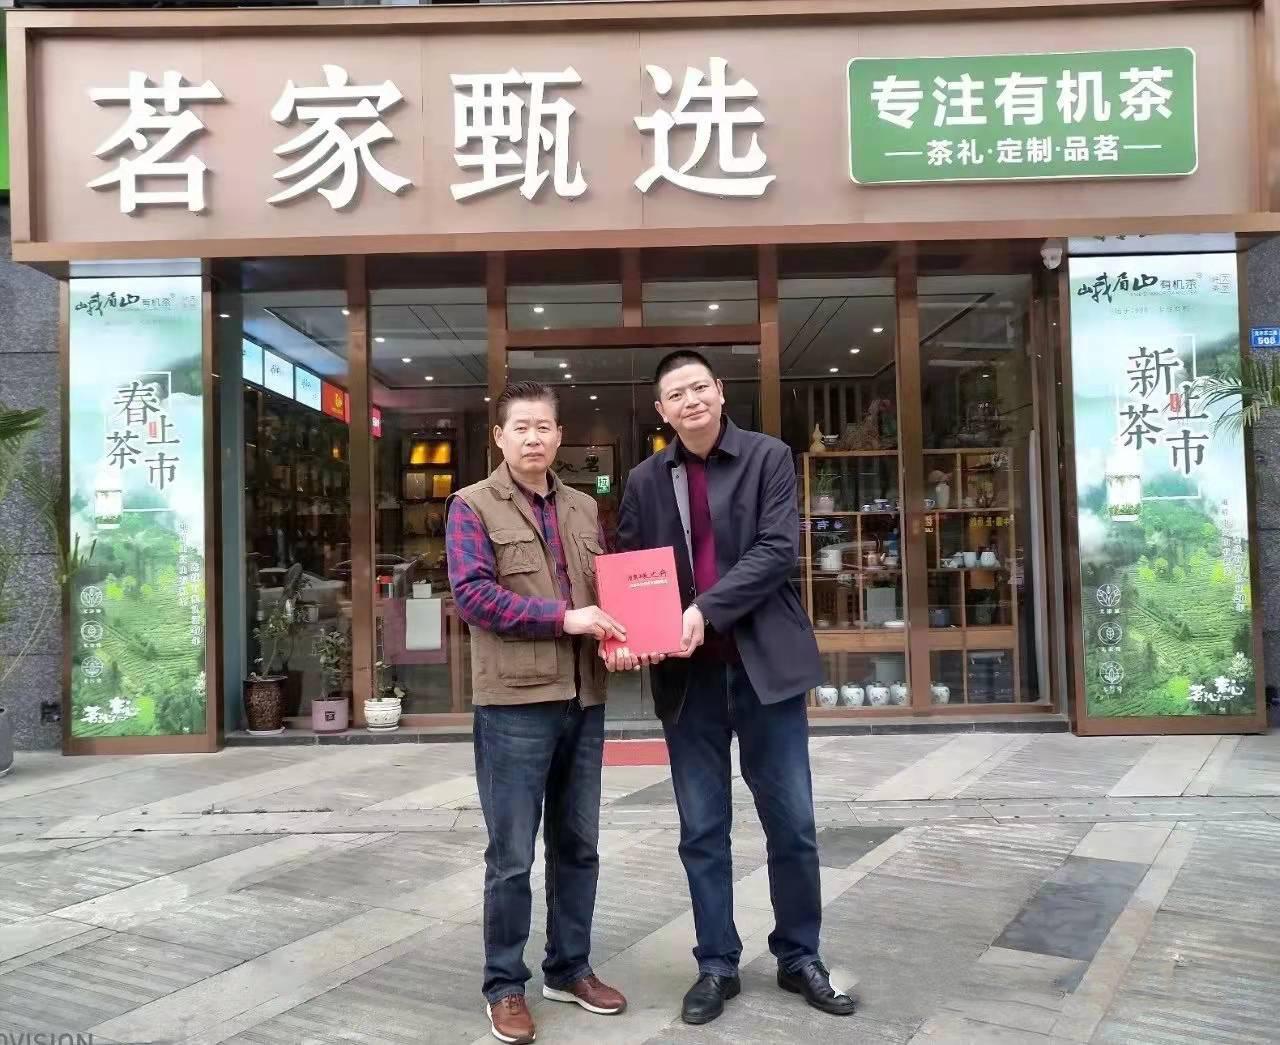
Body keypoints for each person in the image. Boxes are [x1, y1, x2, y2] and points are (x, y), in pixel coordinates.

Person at [610, 350, 856, 1025]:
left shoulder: (767, 457)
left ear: (719, 392)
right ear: (661, 410)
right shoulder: (644, 479)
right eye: (675, 394)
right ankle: (716, 963)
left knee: (793, 823)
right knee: (701, 828)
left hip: (764, 668)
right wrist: (629, 630)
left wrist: (704, 609)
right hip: (687, 677)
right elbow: (631, 564)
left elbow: (777, 551)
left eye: (699, 387)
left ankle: (799, 955)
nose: (690, 400)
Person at [446, 380, 629, 1045]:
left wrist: (623, 634)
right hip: (514, 705)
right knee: (512, 855)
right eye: (520, 426)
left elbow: (606, 588)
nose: (533, 437)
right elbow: (473, 596)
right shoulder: (470, 505)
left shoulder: (583, 506)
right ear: (499, 436)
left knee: (578, 845)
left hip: (584, 698)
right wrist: (564, 617)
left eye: (544, 426)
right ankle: (504, 983)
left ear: (559, 435)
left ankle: (569, 967)